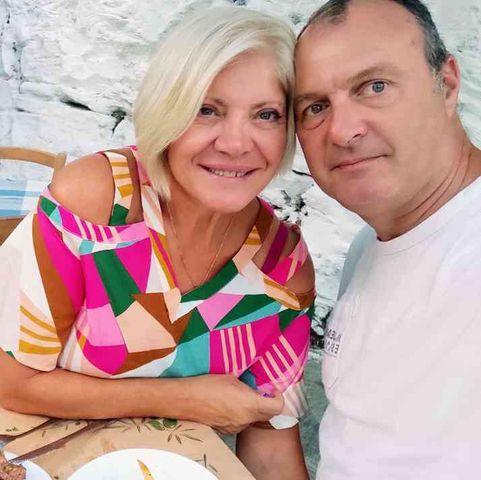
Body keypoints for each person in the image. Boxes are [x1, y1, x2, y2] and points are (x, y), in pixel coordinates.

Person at [0, 7, 315, 479]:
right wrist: (182, 399)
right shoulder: (100, 206)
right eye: (206, 109)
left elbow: (271, 440)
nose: (235, 143)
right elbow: (10, 381)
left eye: (266, 115)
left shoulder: (283, 270)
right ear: (166, 108)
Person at [294, 0, 481, 478]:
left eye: (374, 86)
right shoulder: (371, 245)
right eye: (315, 107)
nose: (342, 131)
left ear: (447, 84)